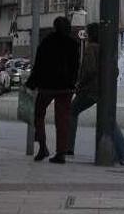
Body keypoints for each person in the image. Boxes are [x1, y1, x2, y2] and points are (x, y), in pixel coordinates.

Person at [67, 36, 124, 165]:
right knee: (109, 119)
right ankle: (123, 154)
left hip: (90, 90)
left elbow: (88, 70)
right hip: (105, 89)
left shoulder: (90, 48)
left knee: (71, 111)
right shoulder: (107, 49)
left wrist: (80, 84)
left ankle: (68, 147)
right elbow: (116, 71)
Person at [25, 17, 80, 164]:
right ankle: (61, 152)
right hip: (66, 88)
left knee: (39, 114)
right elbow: (76, 67)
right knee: (62, 119)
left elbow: (39, 65)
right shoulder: (74, 44)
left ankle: (43, 147)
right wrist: (73, 83)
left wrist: (31, 83)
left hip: (47, 86)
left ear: (54, 27)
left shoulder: (47, 42)